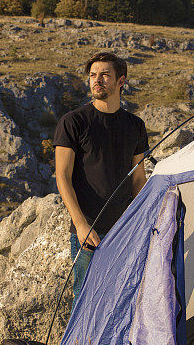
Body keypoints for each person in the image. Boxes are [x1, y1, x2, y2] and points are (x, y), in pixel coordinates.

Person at [54, 52, 148, 304]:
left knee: (124, 298)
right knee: (84, 300)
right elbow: (62, 177)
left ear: (120, 82)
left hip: (124, 231)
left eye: (105, 75)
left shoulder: (135, 125)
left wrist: (140, 221)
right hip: (88, 233)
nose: (97, 80)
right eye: (93, 75)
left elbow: (139, 178)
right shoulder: (73, 122)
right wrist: (81, 225)